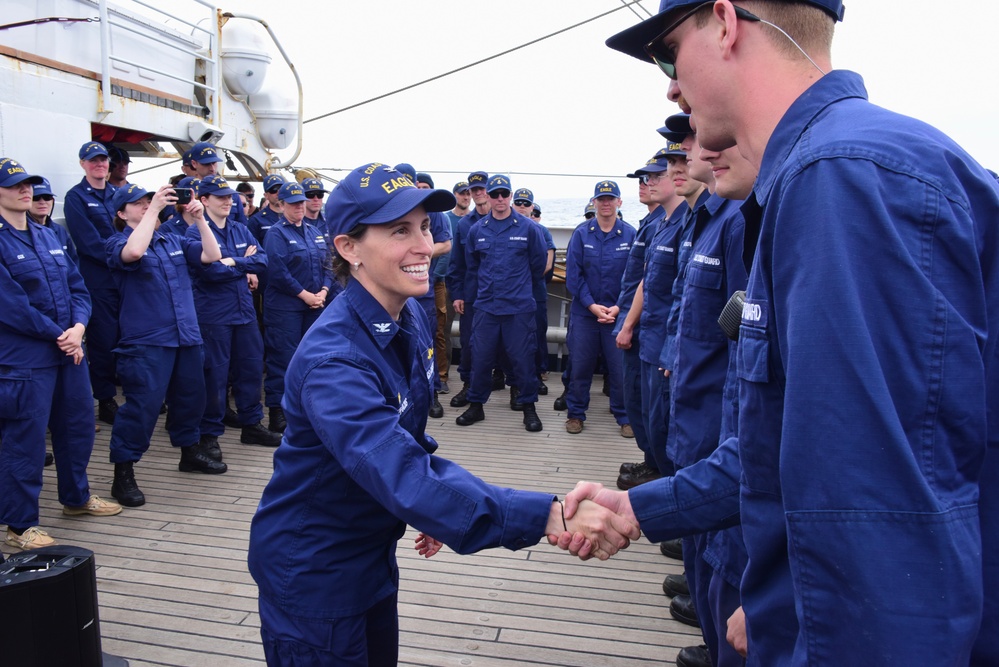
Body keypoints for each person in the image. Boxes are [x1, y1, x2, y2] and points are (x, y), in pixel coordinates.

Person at [557, 1, 999, 664]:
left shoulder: (841, 177)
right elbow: (783, 447)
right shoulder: (822, 171)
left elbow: (878, 511)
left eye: (668, 54)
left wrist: (796, 613)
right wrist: (638, 509)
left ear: (726, 23)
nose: (670, 84)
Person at [247, 161, 640, 666]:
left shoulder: (403, 312)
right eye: (398, 231)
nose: (423, 245)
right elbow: (400, 472)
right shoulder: (334, 361)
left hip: (368, 555)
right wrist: (548, 513)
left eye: (425, 227)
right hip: (313, 571)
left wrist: (424, 507)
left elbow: (404, 432)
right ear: (348, 248)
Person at [1, 158, 122, 550]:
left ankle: (76, 498)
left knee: (77, 427)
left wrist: (80, 328)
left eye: (28, 184)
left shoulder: (49, 235)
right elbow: (11, 306)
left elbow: (78, 287)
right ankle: (20, 525)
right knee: (26, 440)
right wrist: (62, 334)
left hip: (69, 349)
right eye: (15, 185)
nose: (26, 191)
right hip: (26, 358)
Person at [105, 183, 226, 508]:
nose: (146, 205)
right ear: (121, 213)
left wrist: (200, 220)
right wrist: (156, 210)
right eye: (138, 203)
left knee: (191, 399)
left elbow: (212, 256)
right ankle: (124, 473)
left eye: (149, 201)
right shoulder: (118, 242)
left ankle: (189, 453)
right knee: (142, 407)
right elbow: (133, 253)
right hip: (147, 342)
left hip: (185, 336)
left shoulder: (171, 239)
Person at [189, 174, 281, 458]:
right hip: (214, 315)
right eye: (221, 197)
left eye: (229, 196)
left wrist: (233, 261)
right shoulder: (195, 234)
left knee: (251, 369)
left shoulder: (241, 229)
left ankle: (251, 424)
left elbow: (262, 261)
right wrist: (244, 265)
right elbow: (211, 271)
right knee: (214, 375)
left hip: (244, 312)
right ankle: (209, 434)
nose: (228, 201)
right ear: (204, 201)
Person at [455, 175, 547, 432]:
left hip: (518, 308)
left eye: (503, 194)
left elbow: (538, 264)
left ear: (509, 196)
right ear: (487, 196)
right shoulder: (477, 230)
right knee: (481, 359)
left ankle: (528, 407)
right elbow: (472, 267)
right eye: (494, 194)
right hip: (486, 307)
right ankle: (476, 406)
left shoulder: (529, 229)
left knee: (522, 360)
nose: (499, 199)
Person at [564, 181, 635, 436]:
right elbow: (574, 276)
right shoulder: (581, 234)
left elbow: (634, 277)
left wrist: (617, 308)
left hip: (617, 316)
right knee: (580, 366)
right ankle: (575, 414)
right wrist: (593, 306)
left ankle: (625, 417)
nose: (606, 203)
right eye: (601, 199)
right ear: (593, 202)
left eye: (611, 198)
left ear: (619, 202)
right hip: (586, 314)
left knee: (619, 370)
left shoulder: (630, 234)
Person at [262, 181, 333, 433]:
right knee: (283, 359)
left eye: (301, 202)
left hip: (315, 305)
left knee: (313, 357)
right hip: (286, 308)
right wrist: (305, 295)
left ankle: (307, 407)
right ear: (281, 205)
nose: (299, 207)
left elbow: (328, 265)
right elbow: (278, 272)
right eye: (293, 204)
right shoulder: (276, 234)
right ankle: (277, 412)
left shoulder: (314, 232)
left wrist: (323, 291)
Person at [64, 141, 121, 426]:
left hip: (127, 278)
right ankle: (106, 399)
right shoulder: (75, 197)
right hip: (99, 280)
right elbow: (88, 243)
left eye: (103, 160)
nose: (99, 164)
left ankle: (137, 392)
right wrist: (124, 256)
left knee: (129, 335)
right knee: (103, 339)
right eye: (93, 160)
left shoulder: (119, 194)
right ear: (83, 164)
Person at [396, 164, 452, 420]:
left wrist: (420, 252)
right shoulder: (384, 212)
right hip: (393, 289)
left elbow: (445, 243)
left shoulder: (432, 210)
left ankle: (430, 395)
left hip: (421, 287)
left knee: (426, 339)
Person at [446, 171, 490, 407]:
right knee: (469, 343)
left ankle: (514, 388)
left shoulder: (504, 220)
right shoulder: (464, 225)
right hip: (472, 295)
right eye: (474, 191)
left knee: (508, 344)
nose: (478, 193)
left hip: (500, 295)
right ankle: (468, 385)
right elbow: (457, 263)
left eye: (482, 189)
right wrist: (458, 294)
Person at [513, 187, 556, 395]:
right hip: (512, 295)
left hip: (534, 293)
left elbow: (547, 264)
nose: (522, 207)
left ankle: (538, 375)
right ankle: (512, 378)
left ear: (532, 207)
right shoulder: (507, 229)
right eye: (518, 203)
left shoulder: (541, 231)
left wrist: (520, 276)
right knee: (513, 338)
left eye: (526, 203)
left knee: (537, 335)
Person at [435, 181, 471, 394]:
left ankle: (471, 378)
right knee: (443, 331)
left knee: (471, 333)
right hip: (445, 282)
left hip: (470, 285)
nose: (466, 197)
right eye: (462, 193)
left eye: (468, 194)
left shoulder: (478, 221)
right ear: (455, 195)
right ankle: (443, 375)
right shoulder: (445, 218)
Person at [27, 176, 79, 266]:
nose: (42, 202)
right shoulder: (22, 233)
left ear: (52, 200)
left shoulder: (60, 231)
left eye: (47, 197)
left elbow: (73, 265)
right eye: (36, 198)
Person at [247, 174, 286, 243]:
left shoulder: (295, 216)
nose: (278, 193)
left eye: (281, 189)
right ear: (266, 196)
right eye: (273, 190)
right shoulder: (256, 220)